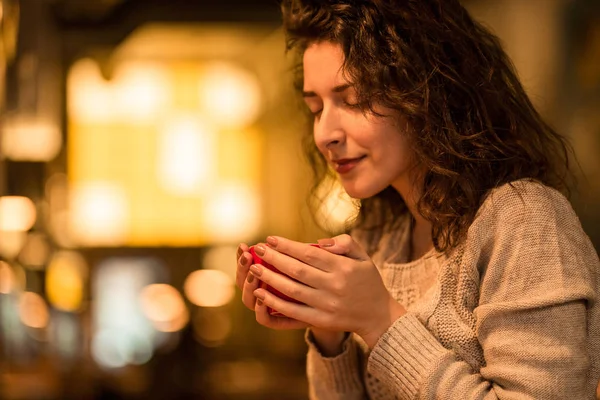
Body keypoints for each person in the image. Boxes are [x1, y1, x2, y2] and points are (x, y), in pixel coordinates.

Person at [235, 0, 600, 398]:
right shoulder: (380, 235)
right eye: (315, 107)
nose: (324, 134)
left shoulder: (524, 220)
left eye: (353, 100)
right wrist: (328, 328)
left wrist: (379, 320)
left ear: (426, 91)